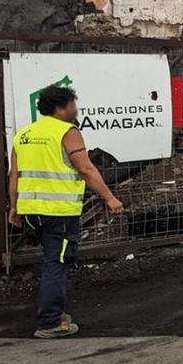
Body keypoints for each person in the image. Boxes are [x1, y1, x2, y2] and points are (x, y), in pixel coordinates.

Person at [8, 85, 124, 339]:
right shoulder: (67, 132)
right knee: (57, 262)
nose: (76, 109)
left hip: (31, 211)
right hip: (58, 211)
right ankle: (50, 322)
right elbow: (86, 169)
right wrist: (110, 198)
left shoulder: (24, 134)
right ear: (61, 108)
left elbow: (14, 174)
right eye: (73, 104)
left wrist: (15, 207)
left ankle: (53, 314)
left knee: (51, 259)